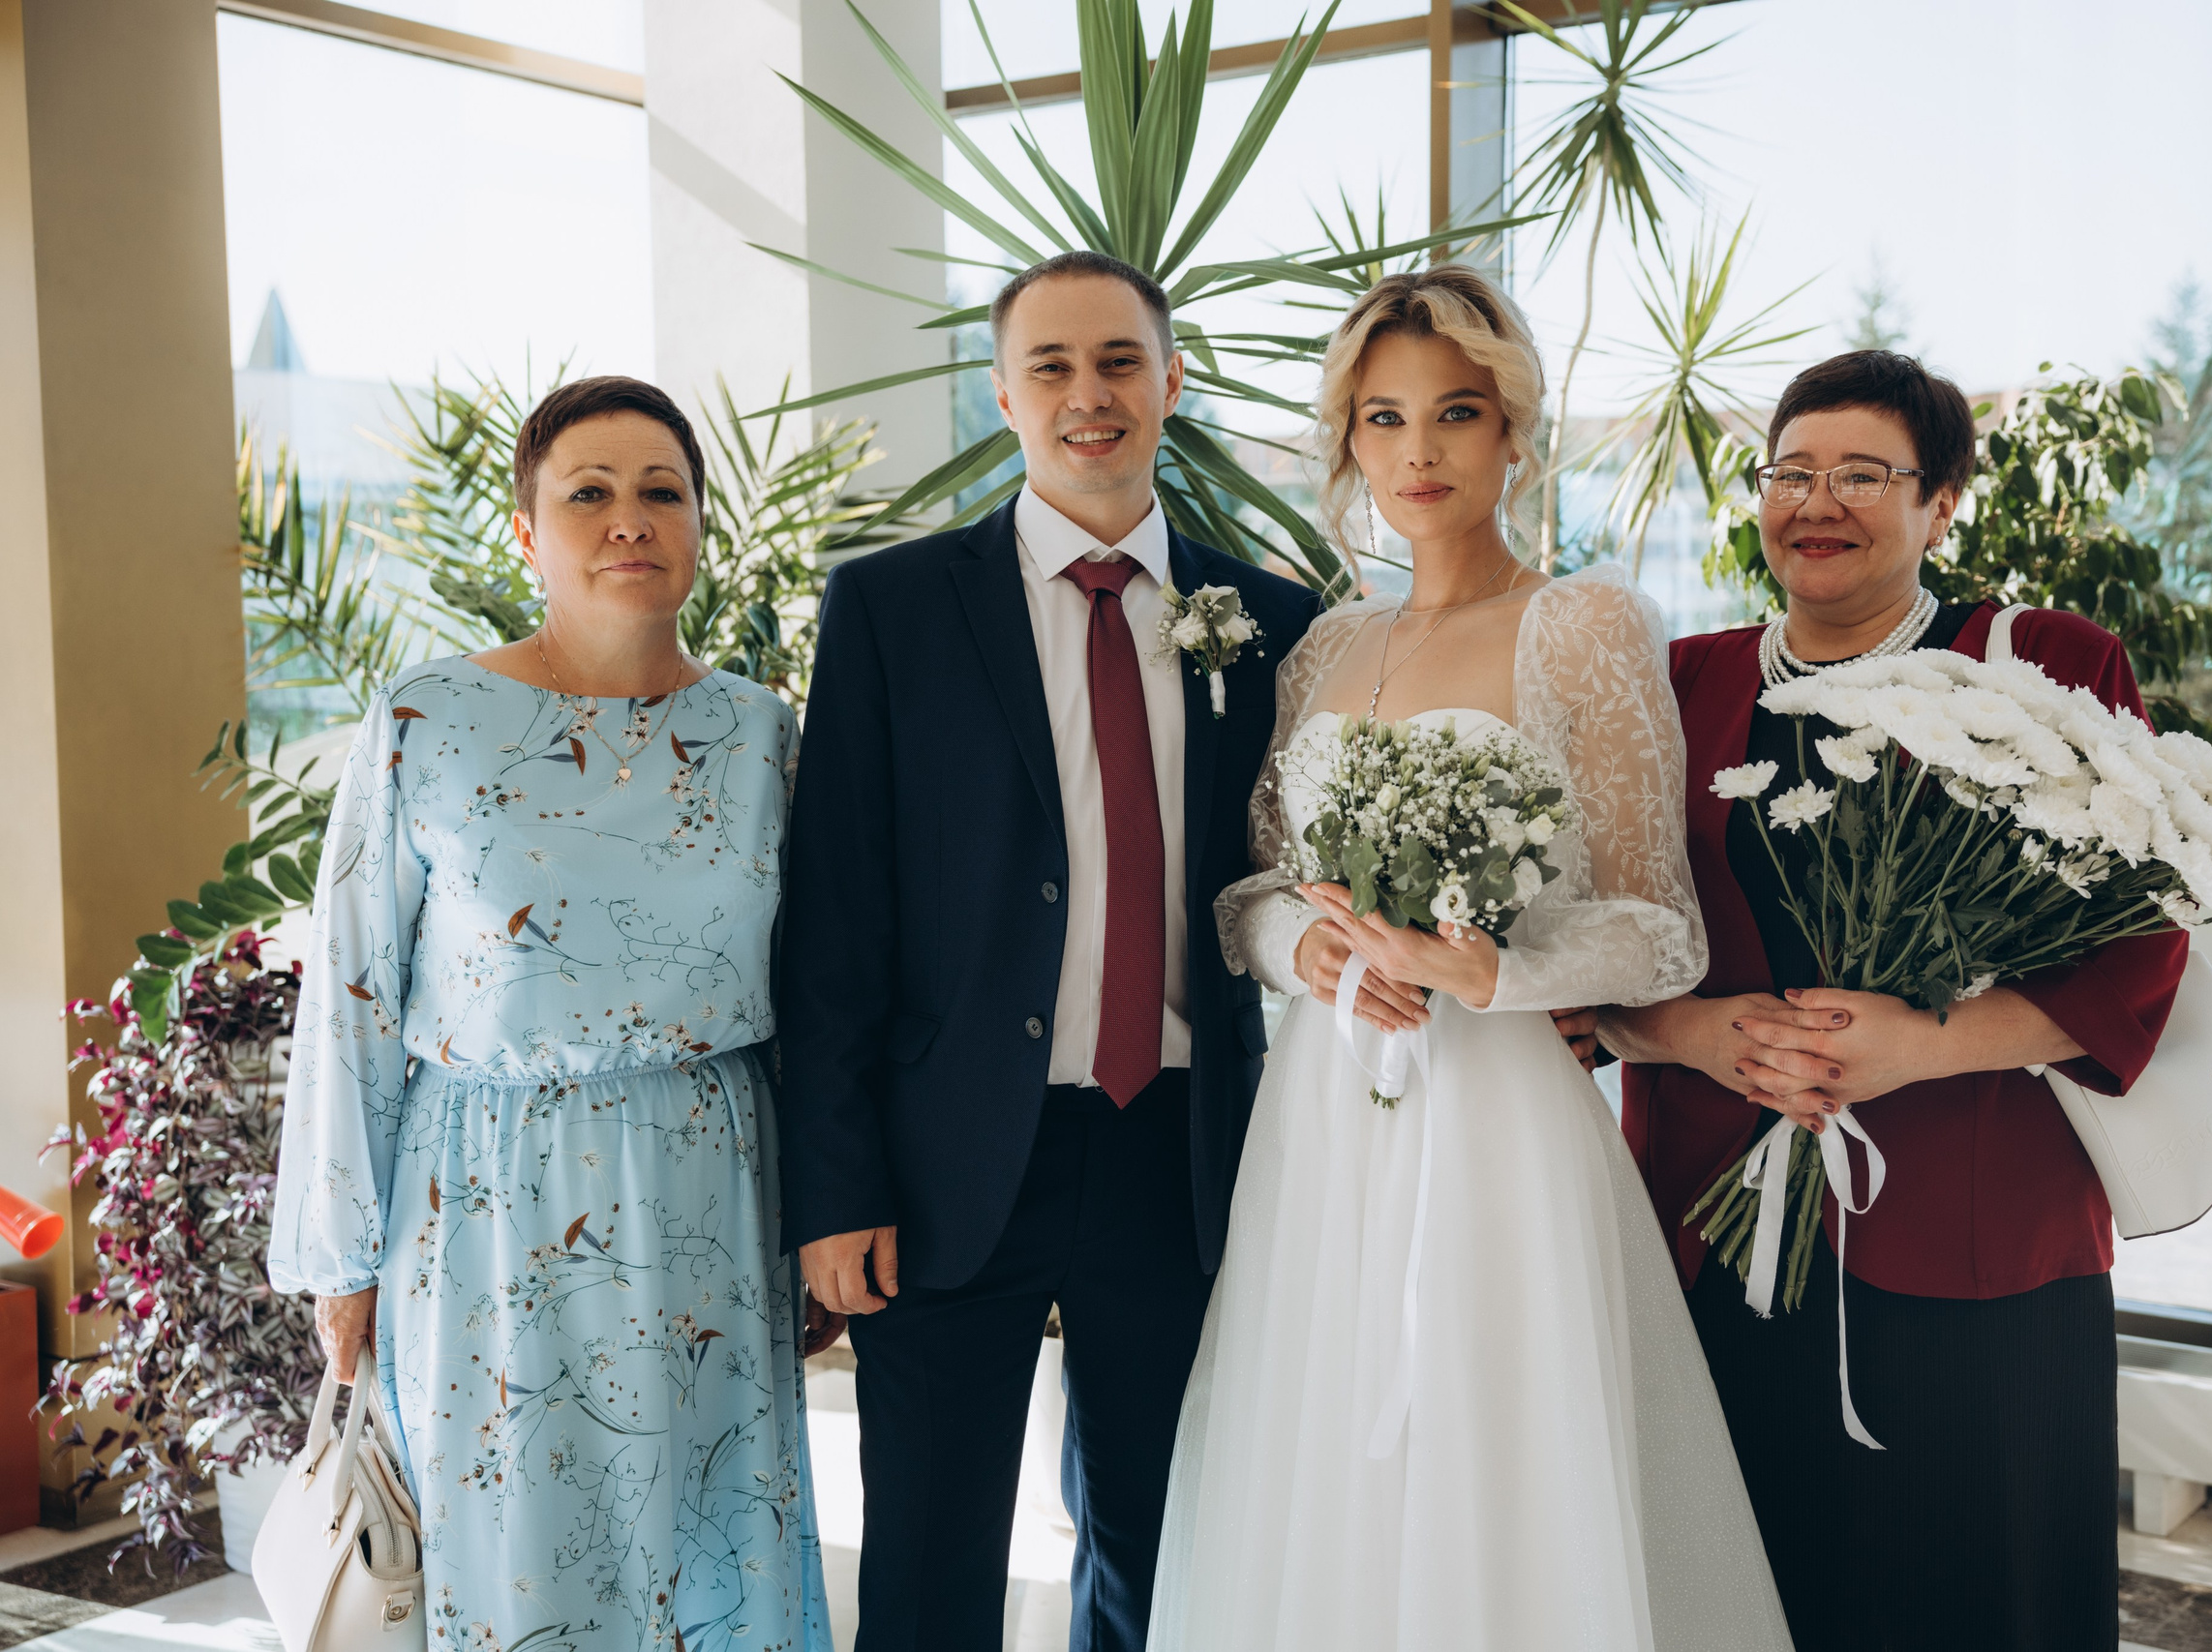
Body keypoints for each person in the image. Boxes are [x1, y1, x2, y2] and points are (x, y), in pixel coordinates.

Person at [1146, 266, 1794, 1651]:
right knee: (1330, 1458)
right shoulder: (1323, 649)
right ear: (1349, 445)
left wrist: (1486, 972)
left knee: (1498, 1453)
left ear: (1513, 431)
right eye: (1383, 420)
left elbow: (1661, 927)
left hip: (1501, 1123)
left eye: (1455, 412)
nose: (1419, 451)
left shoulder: (1586, 624)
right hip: (1325, 1125)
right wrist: (1313, 951)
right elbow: (1245, 892)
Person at [773, 250, 1324, 1652]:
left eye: (1121, 362)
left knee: (1159, 1550)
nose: (1091, 396)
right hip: (944, 1155)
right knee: (928, 1562)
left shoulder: (1273, 623)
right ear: (1005, 394)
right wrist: (835, 1189)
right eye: (1055, 367)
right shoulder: (892, 609)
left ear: (1172, 383)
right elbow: (832, 914)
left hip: (1178, 1155)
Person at [1597, 349, 2188, 1651]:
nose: (1820, 501)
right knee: (1745, 1582)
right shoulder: (1677, 687)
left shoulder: (2044, 668)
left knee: (1978, 1592)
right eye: (1792, 473)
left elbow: (2142, 943)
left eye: (1865, 474)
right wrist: (1699, 1031)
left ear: (1942, 505)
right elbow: (1597, 945)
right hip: (1719, 1233)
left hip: (1978, 1240)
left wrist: (1926, 1045)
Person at [268, 376, 831, 1649]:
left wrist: (822, 1214)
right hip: (484, 1219)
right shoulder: (428, 720)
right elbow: (350, 991)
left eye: (660, 492)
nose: (628, 519)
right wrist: (341, 1266)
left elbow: (817, 997)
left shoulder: (762, 736)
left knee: (708, 1560)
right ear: (527, 530)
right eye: (589, 493)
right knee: (517, 1565)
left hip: (713, 1204)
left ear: (699, 525)